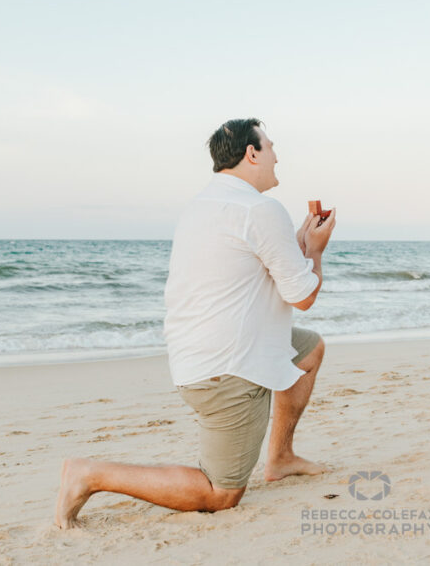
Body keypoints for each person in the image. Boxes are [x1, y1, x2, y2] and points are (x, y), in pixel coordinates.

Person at [55, 118, 336, 528]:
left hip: (198, 351)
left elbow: (256, 263)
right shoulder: (260, 209)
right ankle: (90, 474)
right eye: (271, 146)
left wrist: (299, 243)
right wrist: (317, 251)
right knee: (220, 493)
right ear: (251, 152)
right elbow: (303, 296)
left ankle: (281, 458)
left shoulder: (205, 204)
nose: (277, 155)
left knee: (309, 349)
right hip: (227, 368)